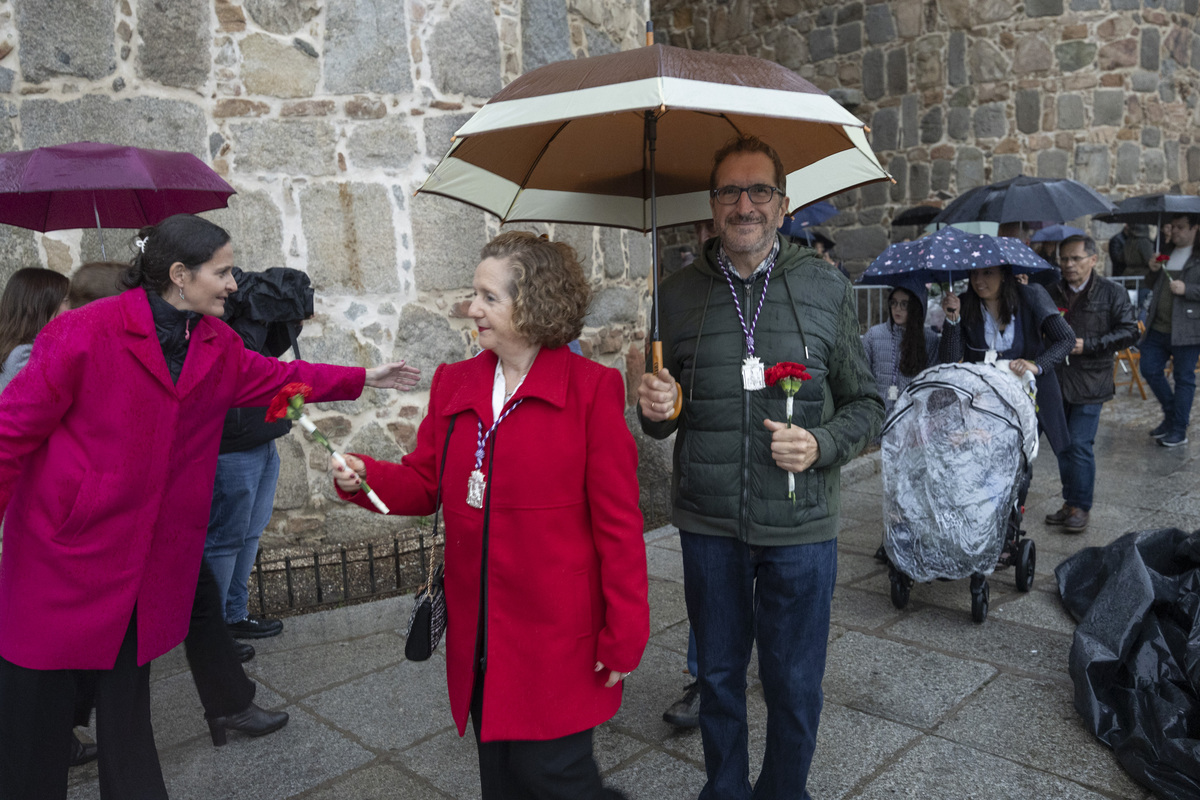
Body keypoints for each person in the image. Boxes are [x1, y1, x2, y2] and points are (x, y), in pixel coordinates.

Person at [0, 213, 419, 800]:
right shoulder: (83, 332)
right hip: (63, 547)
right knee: (36, 711)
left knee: (127, 703)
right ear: (180, 274)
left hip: (141, 555)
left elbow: (277, 376)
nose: (233, 285)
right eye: (222, 273)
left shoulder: (215, 341)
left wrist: (364, 376)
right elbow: (10, 433)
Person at [333, 231, 648, 800]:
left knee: (556, 778)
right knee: (501, 781)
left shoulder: (592, 390)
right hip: (480, 635)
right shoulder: (455, 383)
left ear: (533, 304)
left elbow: (620, 527)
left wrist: (625, 633)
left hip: (559, 637)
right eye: (473, 294)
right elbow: (426, 482)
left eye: (488, 297)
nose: (471, 308)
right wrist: (366, 476)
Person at [638, 135, 883, 799]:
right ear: (712, 204)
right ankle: (724, 791)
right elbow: (662, 418)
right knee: (717, 677)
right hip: (709, 522)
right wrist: (659, 406)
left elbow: (867, 403)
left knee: (794, 683)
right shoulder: (676, 296)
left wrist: (821, 444)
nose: (744, 204)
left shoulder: (825, 287)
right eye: (729, 192)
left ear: (783, 204)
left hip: (801, 528)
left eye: (759, 191)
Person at [1043, 235, 1138, 533]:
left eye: (1076, 259)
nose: (1069, 265)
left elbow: (1130, 332)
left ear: (1093, 259)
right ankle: (1070, 502)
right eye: (1064, 259)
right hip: (1057, 381)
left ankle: (1081, 506)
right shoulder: (1051, 291)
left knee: (1080, 443)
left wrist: (1091, 344)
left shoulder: (1112, 293)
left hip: (1091, 380)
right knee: (1062, 445)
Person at [939, 264, 1074, 459]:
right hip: (986, 399)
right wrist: (953, 319)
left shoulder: (1031, 296)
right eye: (974, 273)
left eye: (987, 273)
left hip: (1029, 395)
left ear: (1003, 274)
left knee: (1023, 457)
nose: (978, 281)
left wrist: (1037, 365)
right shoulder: (963, 304)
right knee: (993, 459)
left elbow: (1066, 339)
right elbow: (949, 358)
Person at [1140, 213, 1200, 447]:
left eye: (1180, 227)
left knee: (1183, 378)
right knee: (1149, 368)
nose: (1174, 232)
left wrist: (1188, 290)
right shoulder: (1166, 253)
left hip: (1188, 328)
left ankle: (1178, 428)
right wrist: (1153, 269)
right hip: (1158, 326)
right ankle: (1171, 413)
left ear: (1195, 229)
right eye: (1172, 227)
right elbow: (1149, 283)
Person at [861, 281, 940, 419]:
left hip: (913, 420)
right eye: (894, 302)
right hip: (878, 419)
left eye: (904, 304)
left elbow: (932, 383)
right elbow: (862, 377)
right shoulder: (874, 336)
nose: (897, 309)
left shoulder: (930, 340)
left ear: (916, 306)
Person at [0, 268, 70, 392]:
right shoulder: (24, 353)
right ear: (39, 306)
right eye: (65, 301)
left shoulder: (23, 345)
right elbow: (48, 399)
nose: (69, 309)